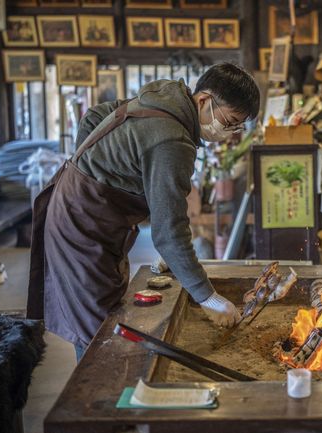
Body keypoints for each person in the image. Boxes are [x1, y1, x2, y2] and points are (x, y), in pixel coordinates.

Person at [27, 63, 260, 361]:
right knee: (99, 332)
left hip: (79, 205)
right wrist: (207, 297)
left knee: (104, 310)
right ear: (203, 101)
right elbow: (169, 231)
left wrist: (89, 166)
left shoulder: (161, 98)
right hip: (82, 223)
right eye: (228, 122)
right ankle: (94, 400)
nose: (228, 133)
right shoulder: (172, 140)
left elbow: (96, 115)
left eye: (237, 127)